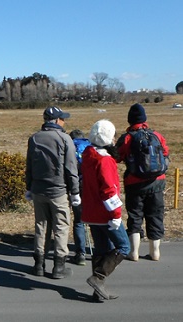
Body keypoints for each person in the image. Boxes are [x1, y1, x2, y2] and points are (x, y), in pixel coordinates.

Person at [25, 106, 81, 279]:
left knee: (41, 226)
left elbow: (29, 166)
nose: (64, 121)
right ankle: (59, 266)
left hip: (38, 190)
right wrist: (75, 191)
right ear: (57, 120)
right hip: (59, 191)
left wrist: (29, 187)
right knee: (61, 227)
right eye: (62, 118)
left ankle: (39, 265)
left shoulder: (34, 138)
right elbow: (71, 168)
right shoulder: (64, 138)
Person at [81, 119, 130, 302]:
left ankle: (98, 291)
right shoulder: (105, 160)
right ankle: (98, 278)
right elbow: (110, 190)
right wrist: (116, 214)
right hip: (105, 214)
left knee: (101, 250)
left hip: (91, 212)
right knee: (124, 246)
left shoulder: (88, 156)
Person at [115, 103, 169, 261]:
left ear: (130, 120)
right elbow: (165, 153)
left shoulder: (127, 138)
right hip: (157, 182)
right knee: (155, 216)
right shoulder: (157, 135)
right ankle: (155, 252)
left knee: (135, 216)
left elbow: (117, 157)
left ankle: (134, 252)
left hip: (134, 183)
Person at [69, 129, 91, 266]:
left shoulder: (70, 147)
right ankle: (101, 251)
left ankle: (80, 254)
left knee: (79, 221)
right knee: (95, 220)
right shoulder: (90, 146)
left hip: (76, 187)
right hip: (91, 187)